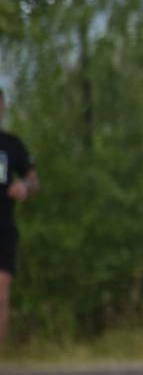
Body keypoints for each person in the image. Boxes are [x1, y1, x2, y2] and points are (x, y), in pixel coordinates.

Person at [0, 87, 40, 349]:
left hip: (3, 227)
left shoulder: (12, 145)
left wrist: (24, 186)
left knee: (1, 293)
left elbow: (34, 181)